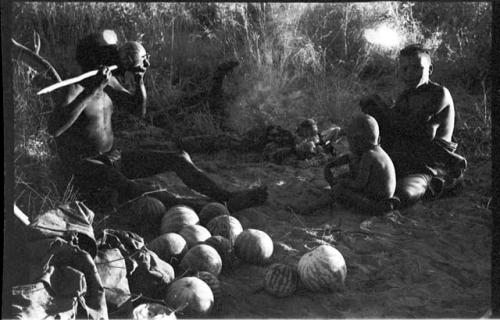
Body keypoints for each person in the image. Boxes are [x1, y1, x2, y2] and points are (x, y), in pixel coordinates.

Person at [47, 30, 267, 212]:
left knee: (178, 158)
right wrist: (92, 90)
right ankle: (197, 207)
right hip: (84, 167)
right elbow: (54, 130)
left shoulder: (109, 81)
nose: (116, 58)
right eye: (109, 54)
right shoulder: (73, 87)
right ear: (93, 58)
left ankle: (226, 197)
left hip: (111, 157)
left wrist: (139, 79)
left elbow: (138, 110)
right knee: (134, 186)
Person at [360, 44, 466, 207]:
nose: (409, 74)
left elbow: (415, 128)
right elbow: (392, 126)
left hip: (431, 164)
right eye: (404, 69)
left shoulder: (439, 94)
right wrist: (374, 111)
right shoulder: (406, 96)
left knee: (405, 192)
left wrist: (384, 109)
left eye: (416, 68)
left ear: (430, 69)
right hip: (408, 157)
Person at [324, 114, 398, 214]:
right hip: (381, 199)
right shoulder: (376, 152)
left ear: (356, 141)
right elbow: (350, 157)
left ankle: (312, 207)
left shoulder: (368, 156)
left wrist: (343, 181)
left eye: (349, 141)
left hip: (376, 205)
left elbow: (359, 184)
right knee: (346, 176)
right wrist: (332, 165)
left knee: (340, 189)